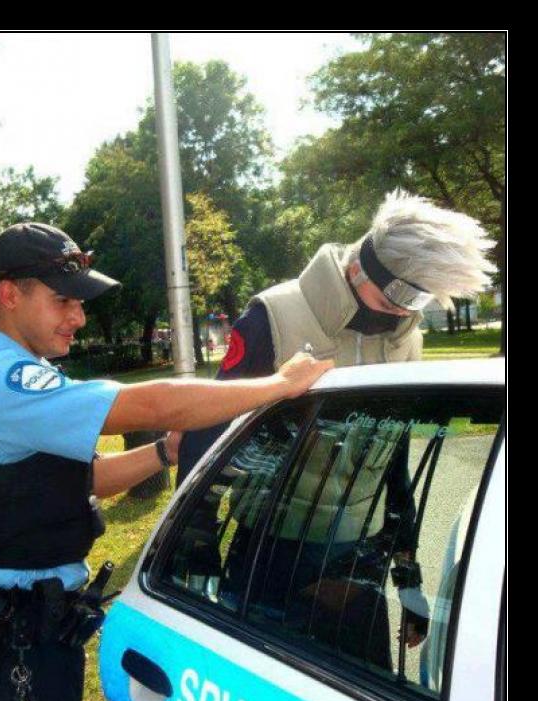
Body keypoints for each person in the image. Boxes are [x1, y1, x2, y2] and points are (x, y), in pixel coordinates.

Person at [0, 221, 333, 701]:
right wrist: (277, 384)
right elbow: (147, 401)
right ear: (9, 293)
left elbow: (83, 477)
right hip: (10, 641)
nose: (79, 316)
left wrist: (167, 451)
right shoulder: (0, 382)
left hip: (30, 630)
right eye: (63, 300)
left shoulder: (14, 381)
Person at [176, 190, 496, 661]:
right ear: (359, 268)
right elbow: (210, 425)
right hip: (271, 550)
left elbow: (395, 459)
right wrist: (195, 537)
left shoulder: (407, 338)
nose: (408, 312)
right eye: (403, 295)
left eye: (421, 299)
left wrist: (408, 579)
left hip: (359, 554)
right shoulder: (274, 315)